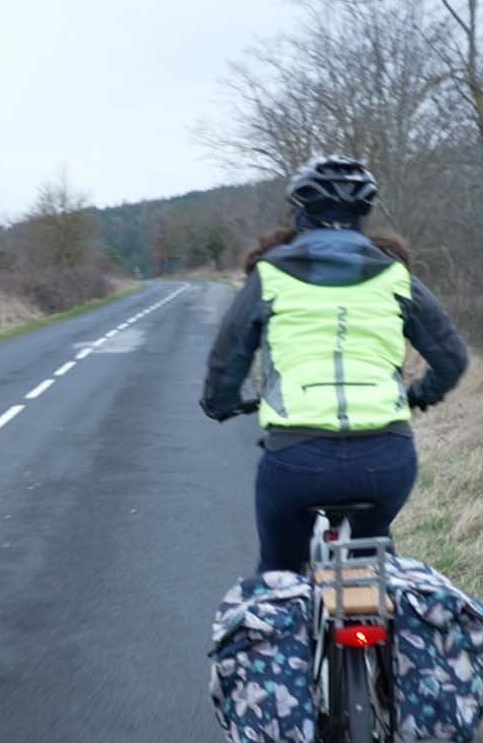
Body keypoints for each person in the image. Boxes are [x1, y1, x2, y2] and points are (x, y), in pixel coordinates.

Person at [200, 155, 469, 574]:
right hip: (386, 459)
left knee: (279, 571)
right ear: (364, 215)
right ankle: (386, 627)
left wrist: (221, 402)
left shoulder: (270, 274)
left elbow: (227, 359)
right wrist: (419, 394)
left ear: (299, 213)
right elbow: (452, 358)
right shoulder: (394, 274)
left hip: (297, 459)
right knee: (371, 563)